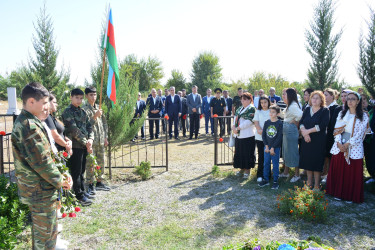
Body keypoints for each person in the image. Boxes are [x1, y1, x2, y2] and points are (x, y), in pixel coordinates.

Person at [12, 82, 72, 249]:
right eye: (44, 102)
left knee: (47, 235)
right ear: (31, 102)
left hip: (40, 189)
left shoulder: (32, 121)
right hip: (39, 191)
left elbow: (45, 156)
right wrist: (61, 180)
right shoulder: (28, 126)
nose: (47, 107)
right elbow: (42, 163)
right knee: (44, 239)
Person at [326, 92, 368, 203]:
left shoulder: (364, 116)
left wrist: (347, 144)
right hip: (340, 145)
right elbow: (336, 129)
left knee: (351, 172)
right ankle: (337, 192)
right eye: (348, 99)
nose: (350, 101)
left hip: (354, 146)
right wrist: (339, 143)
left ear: (358, 101)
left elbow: (360, 134)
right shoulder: (341, 113)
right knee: (340, 169)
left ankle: (350, 195)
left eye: (353, 99)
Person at [62, 88, 95, 206]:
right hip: (75, 146)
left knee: (82, 170)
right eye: (77, 98)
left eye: (81, 98)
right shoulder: (67, 112)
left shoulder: (83, 112)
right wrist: (86, 142)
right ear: (71, 97)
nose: (79, 100)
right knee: (76, 171)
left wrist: (90, 139)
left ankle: (82, 191)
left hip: (84, 145)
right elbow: (74, 130)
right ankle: (78, 196)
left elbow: (90, 127)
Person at [82, 87, 111, 194]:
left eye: (95, 94)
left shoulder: (99, 108)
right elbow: (85, 125)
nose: (93, 97)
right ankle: (89, 183)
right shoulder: (84, 110)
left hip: (100, 140)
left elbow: (104, 124)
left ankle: (99, 181)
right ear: (86, 96)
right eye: (91, 95)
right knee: (90, 163)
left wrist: (105, 137)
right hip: (92, 142)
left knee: (101, 161)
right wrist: (95, 116)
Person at [299, 91, 330, 189]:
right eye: (313, 98)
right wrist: (304, 133)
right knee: (308, 161)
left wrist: (308, 131)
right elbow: (301, 122)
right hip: (306, 140)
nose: (314, 100)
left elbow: (323, 125)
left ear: (321, 100)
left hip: (318, 140)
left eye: (317, 98)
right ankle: (309, 183)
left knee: (316, 162)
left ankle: (316, 185)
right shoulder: (307, 109)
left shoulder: (325, 110)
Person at [279, 88, 303, 182]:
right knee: (286, 152)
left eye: (285, 94)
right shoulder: (289, 105)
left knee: (293, 152)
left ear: (290, 95)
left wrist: (295, 120)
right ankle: (286, 172)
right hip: (287, 131)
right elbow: (285, 116)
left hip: (291, 131)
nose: (283, 96)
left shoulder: (293, 106)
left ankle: (297, 175)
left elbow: (301, 115)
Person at [232, 92, 256, 179]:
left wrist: (238, 128)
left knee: (247, 153)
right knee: (239, 152)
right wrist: (233, 126)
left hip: (248, 135)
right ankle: (241, 168)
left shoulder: (252, 109)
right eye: (242, 99)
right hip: (239, 135)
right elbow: (235, 118)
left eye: (245, 99)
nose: (242, 101)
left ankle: (247, 170)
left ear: (250, 100)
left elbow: (249, 122)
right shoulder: (239, 109)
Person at [258, 105, 283, 189]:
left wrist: (272, 148)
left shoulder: (279, 123)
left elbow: (279, 136)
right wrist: (267, 146)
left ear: (277, 114)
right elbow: (264, 135)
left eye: (273, 112)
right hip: (267, 147)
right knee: (266, 163)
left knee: (275, 164)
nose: (271, 113)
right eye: (270, 112)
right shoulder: (267, 122)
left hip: (275, 148)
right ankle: (266, 179)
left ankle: (276, 180)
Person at [321, 88, 339, 182]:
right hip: (323, 135)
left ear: (332, 96)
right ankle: (323, 172)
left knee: (329, 155)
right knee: (324, 155)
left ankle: (329, 175)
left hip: (332, 135)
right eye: (324, 94)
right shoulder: (323, 107)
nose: (324, 96)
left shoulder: (336, 107)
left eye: (326, 95)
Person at [253, 96, 271, 182]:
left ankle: (267, 174)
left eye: (265, 102)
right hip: (260, 137)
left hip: (270, 138)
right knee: (261, 156)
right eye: (262, 103)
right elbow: (256, 122)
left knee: (268, 157)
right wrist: (260, 130)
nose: (263, 104)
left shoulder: (271, 111)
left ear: (268, 102)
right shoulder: (258, 111)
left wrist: (267, 132)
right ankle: (260, 175)